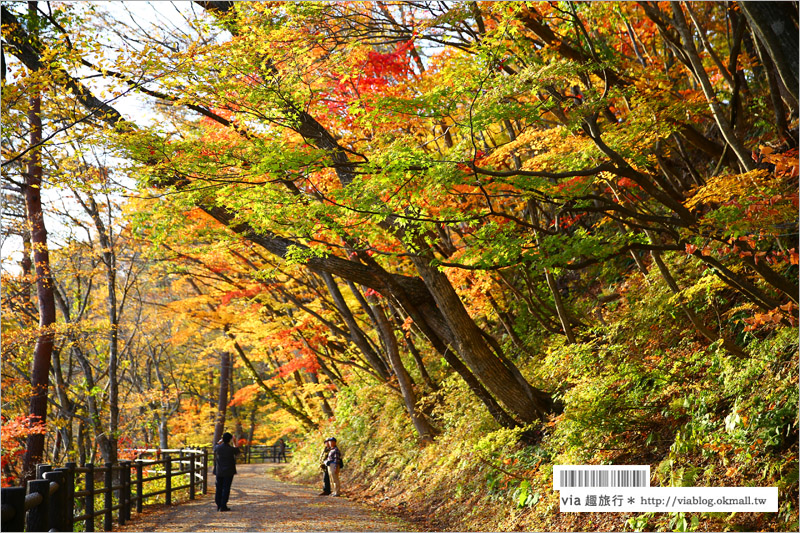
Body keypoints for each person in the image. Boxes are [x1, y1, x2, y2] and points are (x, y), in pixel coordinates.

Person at [213, 432, 240, 511]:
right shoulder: (231, 449)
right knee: (226, 488)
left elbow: (215, 446)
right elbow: (237, 452)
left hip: (219, 471)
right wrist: (234, 442)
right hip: (229, 471)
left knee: (219, 487)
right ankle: (223, 505)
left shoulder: (218, 448)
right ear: (230, 440)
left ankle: (218, 504)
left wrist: (220, 441)